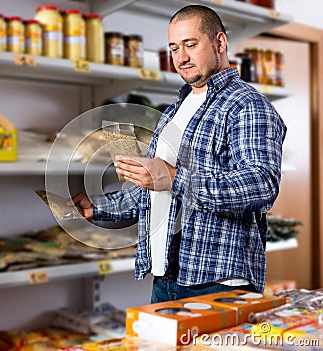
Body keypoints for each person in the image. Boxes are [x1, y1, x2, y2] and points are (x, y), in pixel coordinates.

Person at [72, 4, 286, 303]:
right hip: (166, 274)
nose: (181, 57)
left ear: (220, 42)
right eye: (174, 48)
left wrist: (174, 178)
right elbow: (157, 190)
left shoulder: (247, 104)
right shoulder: (175, 110)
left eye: (190, 44)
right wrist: (98, 208)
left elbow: (260, 186)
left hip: (218, 281)